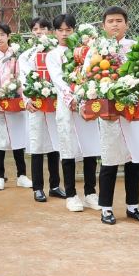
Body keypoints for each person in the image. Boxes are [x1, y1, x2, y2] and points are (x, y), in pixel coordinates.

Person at [95, 6, 139, 225]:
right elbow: (87, 78)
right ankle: (106, 207)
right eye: (111, 21)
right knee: (109, 160)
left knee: (133, 159)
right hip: (110, 113)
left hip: (132, 111)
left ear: (127, 24)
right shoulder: (97, 49)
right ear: (104, 26)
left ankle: (133, 206)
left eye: (119, 20)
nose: (115, 24)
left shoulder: (135, 47)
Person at [46, 13, 101, 212]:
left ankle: (90, 193)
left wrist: (83, 94)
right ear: (54, 32)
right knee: (67, 147)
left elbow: (91, 73)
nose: (64, 34)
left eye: (68, 30)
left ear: (74, 30)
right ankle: (71, 194)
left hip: (86, 101)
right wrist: (71, 97)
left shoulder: (85, 50)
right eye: (60, 30)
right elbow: (57, 79)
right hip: (66, 104)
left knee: (90, 147)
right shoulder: (52, 55)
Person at [18, 17, 63, 202]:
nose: (39, 31)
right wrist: (27, 99)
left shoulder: (57, 53)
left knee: (55, 144)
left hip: (55, 104)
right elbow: (24, 79)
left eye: (43, 28)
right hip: (36, 105)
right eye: (35, 28)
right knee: (37, 144)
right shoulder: (26, 55)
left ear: (50, 31)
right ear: (31, 32)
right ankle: (38, 187)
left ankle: (54, 185)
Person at [0, 23, 29, 191]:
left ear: (9, 36)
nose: (0, 38)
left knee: (19, 139)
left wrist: (23, 98)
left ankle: (22, 175)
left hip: (16, 103)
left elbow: (23, 78)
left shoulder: (18, 56)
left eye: (3, 34)